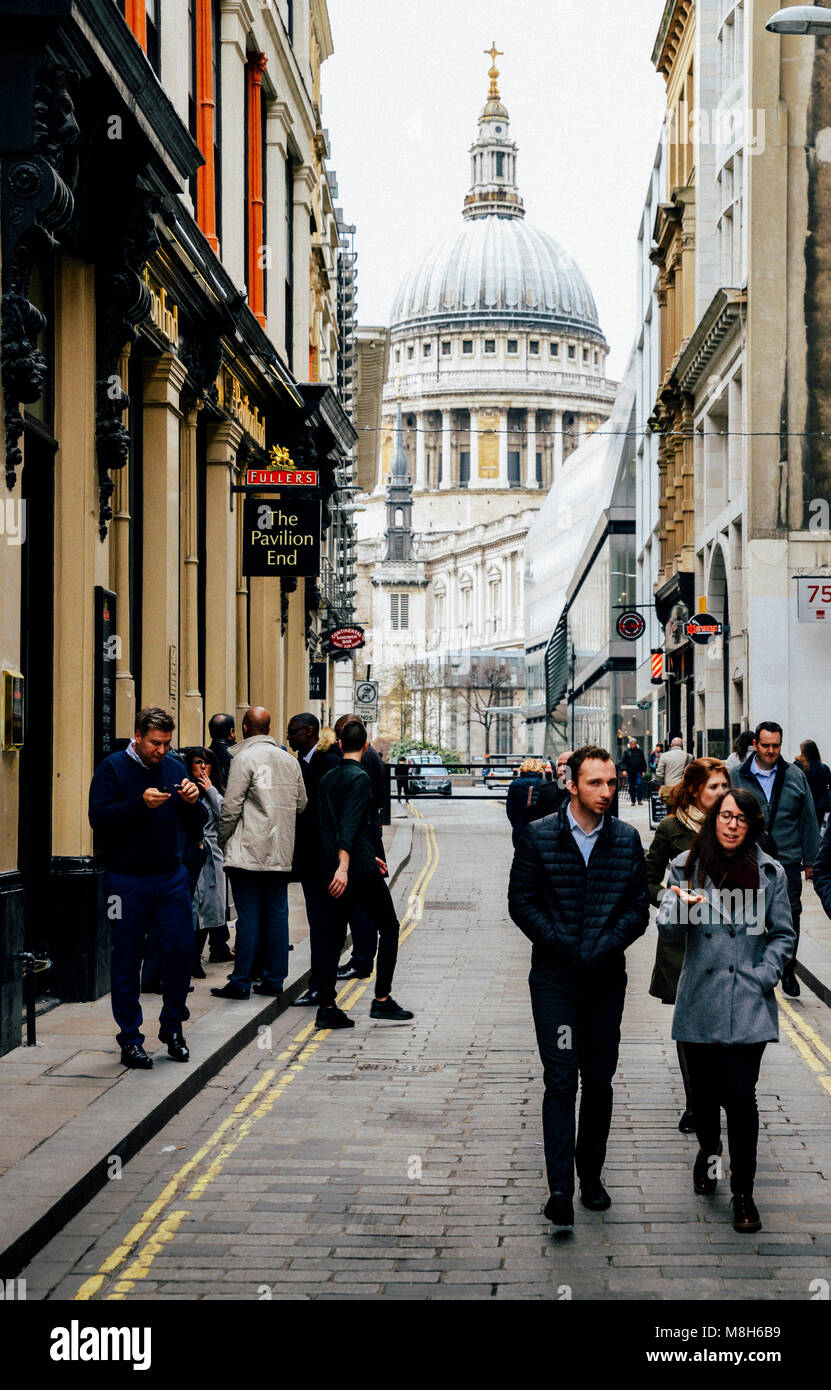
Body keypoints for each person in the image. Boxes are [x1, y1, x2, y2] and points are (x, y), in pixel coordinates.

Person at [508, 744, 650, 1233]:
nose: (607, 791)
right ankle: (560, 1189)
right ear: (571, 784)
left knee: (599, 1080)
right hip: (555, 982)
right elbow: (521, 902)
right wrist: (563, 942)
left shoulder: (627, 840)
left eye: (611, 782)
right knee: (561, 1079)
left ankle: (591, 1176)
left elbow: (638, 909)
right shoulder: (539, 836)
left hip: (605, 981)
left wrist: (606, 944)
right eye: (596, 783)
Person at [656, 788, 795, 1234]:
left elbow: (783, 934)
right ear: (714, 820)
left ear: (753, 825)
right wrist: (682, 904)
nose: (732, 824)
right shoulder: (686, 868)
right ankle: (709, 1153)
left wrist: (765, 974)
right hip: (700, 999)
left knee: (740, 1095)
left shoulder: (771, 873)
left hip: (748, 1001)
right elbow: (668, 931)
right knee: (705, 1097)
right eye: (725, 816)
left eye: (741, 818)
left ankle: (744, 1194)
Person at [88, 706, 207, 1069]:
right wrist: (139, 805)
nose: (162, 750)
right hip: (124, 880)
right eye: (156, 743)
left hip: (170, 876)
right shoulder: (112, 768)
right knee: (126, 957)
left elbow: (197, 821)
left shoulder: (173, 767)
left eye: (167, 743)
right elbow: (99, 818)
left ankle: (172, 1028)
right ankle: (130, 1038)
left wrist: (192, 802)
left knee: (181, 950)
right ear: (137, 736)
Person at [646, 757, 730, 1132]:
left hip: (728, 940)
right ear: (696, 789)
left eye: (726, 786)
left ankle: (723, 1093)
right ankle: (695, 1102)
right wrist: (673, 898)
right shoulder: (670, 828)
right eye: (716, 787)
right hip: (685, 941)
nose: (724, 794)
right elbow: (646, 880)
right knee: (691, 1023)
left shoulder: (736, 827)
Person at [317, 719, 414, 1030]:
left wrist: (345, 861)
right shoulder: (360, 778)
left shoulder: (328, 777)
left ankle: (327, 1005)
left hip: (335, 864)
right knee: (389, 926)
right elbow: (349, 824)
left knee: (331, 936)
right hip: (353, 869)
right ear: (367, 744)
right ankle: (382, 999)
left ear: (341, 744)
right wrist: (346, 866)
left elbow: (329, 826)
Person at [211, 706, 307, 1000]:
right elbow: (302, 803)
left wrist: (222, 839)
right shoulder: (290, 761)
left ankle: (241, 982)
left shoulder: (243, 758)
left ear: (243, 728)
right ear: (269, 727)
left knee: (249, 916)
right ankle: (274, 980)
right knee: (277, 914)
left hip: (248, 849)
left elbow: (231, 807)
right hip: (279, 849)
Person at [730, 720, 819, 997]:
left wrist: (811, 860)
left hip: (788, 861)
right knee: (752, 916)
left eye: (776, 746)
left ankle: (787, 969)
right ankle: (757, 967)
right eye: (765, 745)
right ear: (755, 744)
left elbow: (808, 819)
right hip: (748, 859)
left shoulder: (795, 775)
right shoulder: (736, 776)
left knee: (790, 917)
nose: (771, 751)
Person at [286, 713, 341, 1008]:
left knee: (324, 926)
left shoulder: (327, 762)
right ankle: (319, 985)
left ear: (309, 732)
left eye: (293, 732)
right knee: (320, 926)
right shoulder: (309, 760)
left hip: (323, 861)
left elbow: (324, 815)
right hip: (312, 860)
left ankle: (321, 989)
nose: (289, 737)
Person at [333, 713, 388, 984]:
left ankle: (362, 960)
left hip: (361, 843)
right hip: (366, 840)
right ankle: (363, 958)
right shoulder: (373, 758)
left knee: (360, 907)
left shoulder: (358, 766)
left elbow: (362, 808)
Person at [182, 747, 226, 980]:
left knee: (209, 909)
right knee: (190, 909)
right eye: (197, 762)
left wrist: (210, 790)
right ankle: (188, 960)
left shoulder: (214, 790)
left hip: (212, 856)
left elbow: (226, 814)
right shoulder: (185, 788)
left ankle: (197, 957)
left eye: (206, 763)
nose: (201, 767)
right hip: (190, 854)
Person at [206, 713, 236, 962]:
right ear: (232, 733)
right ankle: (218, 945)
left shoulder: (205, 755)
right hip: (220, 830)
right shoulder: (232, 756)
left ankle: (219, 943)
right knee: (217, 894)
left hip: (210, 832)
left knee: (214, 893)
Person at [505, 758, 548, 847]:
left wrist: (516, 823)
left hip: (520, 827)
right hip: (542, 829)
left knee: (520, 856)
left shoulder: (515, 785)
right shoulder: (545, 784)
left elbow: (510, 810)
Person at [794, 739, 831, 826]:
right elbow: (828, 788)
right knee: (816, 832)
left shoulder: (797, 765)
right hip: (819, 807)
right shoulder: (824, 768)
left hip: (802, 805)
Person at [622, 739, 647, 806]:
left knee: (639, 785)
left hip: (638, 771)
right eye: (631, 744)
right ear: (629, 745)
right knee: (631, 787)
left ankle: (639, 800)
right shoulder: (626, 752)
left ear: (636, 744)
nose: (633, 745)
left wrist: (644, 771)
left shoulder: (640, 751)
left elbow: (643, 762)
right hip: (630, 772)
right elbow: (623, 762)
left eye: (634, 744)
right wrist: (623, 770)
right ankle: (633, 800)